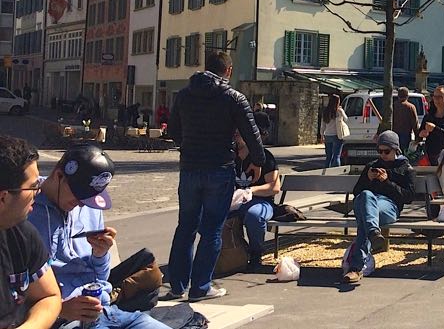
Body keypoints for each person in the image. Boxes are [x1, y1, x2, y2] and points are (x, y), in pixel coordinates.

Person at [28, 145, 168, 329]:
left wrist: (100, 255)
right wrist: (59, 308)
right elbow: (14, 290)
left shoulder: (87, 208)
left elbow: (100, 276)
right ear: (59, 175)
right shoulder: (25, 210)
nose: (80, 204)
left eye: (89, 198)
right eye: (79, 195)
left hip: (105, 311)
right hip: (61, 319)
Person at [166, 51, 265, 302]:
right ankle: (201, 286)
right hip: (219, 167)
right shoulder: (233, 97)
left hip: (190, 167)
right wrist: (258, 161)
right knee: (211, 230)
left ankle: (177, 285)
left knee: (185, 226)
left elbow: (174, 131)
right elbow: (251, 133)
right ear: (228, 71)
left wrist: (189, 146)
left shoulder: (185, 95)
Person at [0, 135, 61, 329]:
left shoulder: (22, 232)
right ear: (3, 197)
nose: (39, 191)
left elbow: (49, 296)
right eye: (33, 187)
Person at [343, 132, 415, 285]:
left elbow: (408, 197)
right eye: (380, 151)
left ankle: (355, 268)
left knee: (365, 221)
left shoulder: (404, 168)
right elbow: (357, 192)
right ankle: (373, 233)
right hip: (366, 203)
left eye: (386, 151)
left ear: (396, 149)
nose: (383, 155)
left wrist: (387, 182)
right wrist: (368, 178)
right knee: (366, 195)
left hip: (388, 206)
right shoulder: (372, 166)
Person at [231, 131, 281, 269]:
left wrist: (251, 191)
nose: (236, 135)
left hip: (260, 201)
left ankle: (256, 254)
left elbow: (274, 187)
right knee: (208, 214)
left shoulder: (265, 157)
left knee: (254, 215)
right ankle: (226, 253)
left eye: (240, 132)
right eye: (234, 132)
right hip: (233, 201)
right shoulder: (229, 155)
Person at [418, 85, 444, 166]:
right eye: (434, 96)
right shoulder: (428, 116)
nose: (436, 99)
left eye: (439, 97)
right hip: (429, 156)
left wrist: (435, 129)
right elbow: (419, 136)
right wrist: (421, 133)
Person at [322, 95, 348, 169]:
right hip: (337, 135)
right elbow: (346, 119)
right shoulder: (339, 111)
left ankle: (326, 170)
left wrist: (322, 134)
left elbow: (323, 125)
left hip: (327, 135)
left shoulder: (325, 111)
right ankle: (336, 171)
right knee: (336, 155)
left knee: (328, 156)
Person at [392, 87, 419, 154]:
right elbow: (415, 123)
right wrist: (418, 138)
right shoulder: (410, 107)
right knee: (404, 154)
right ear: (407, 96)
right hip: (406, 134)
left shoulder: (393, 106)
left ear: (398, 96)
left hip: (394, 134)